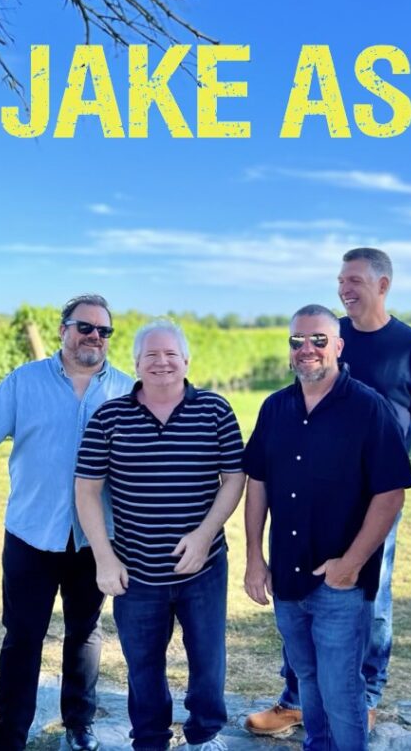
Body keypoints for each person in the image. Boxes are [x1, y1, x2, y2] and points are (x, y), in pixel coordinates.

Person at [0, 294, 133, 751]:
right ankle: (10, 734)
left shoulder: (127, 391)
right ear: (63, 330)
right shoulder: (24, 382)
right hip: (31, 535)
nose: (94, 336)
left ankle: (79, 725)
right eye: (84, 327)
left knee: (85, 632)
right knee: (22, 638)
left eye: (103, 330)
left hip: (96, 539)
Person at [245, 247, 411, 737]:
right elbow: (261, 477)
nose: (345, 288)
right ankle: (300, 701)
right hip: (301, 523)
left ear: (382, 284)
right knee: (309, 647)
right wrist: (254, 554)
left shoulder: (410, 348)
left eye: (355, 279)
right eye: (341, 280)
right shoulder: (283, 401)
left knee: (368, 608)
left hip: (372, 495)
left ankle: (364, 697)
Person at [74, 319, 245, 751]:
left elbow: (235, 477)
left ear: (186, 361)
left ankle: (204, 735)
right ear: (135, 364)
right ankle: (150, 740)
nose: (162, 362)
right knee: (143, 665)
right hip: (136, 569)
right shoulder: (109, 417)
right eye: (151, 355)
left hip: (203, 566)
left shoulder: (215, 410)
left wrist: (205, 535)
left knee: (208, 660)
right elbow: (87, 490)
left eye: (171, 354)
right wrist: (105, 558)